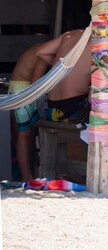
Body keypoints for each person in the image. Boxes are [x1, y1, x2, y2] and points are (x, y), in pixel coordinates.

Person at [9, 44, 48, 181]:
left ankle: (27, 174)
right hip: (24, 90)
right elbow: (36, 83)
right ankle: (27, 176)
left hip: (22, 88)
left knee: (24, 134)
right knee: (24, 133)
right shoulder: (44, 54)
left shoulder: (43, 49)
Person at [36, 29, 93, 123]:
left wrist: (62, 69)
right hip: (74, 108)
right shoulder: (102, 43)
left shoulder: (70, 34)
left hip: (51, 108)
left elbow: (40, 52)